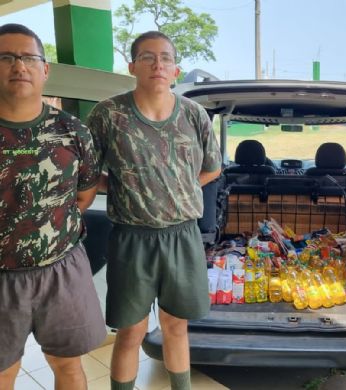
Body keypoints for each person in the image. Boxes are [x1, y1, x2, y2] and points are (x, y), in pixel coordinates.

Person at [86, 31, 222, 390]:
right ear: (132, 66)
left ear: (176, 69)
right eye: (147, 57)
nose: (157, 64)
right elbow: (85, 174)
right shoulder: (108, 115)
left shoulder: (194, 115)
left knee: (176, 326)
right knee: (131, 332)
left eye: (165, 58)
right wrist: (121, 186)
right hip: (132, 238)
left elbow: (212, 167)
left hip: (182, 236)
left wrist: (180, 187)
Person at [0, 23, 106, 390]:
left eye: (29, 57)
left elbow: (84, 193)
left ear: (45, 70)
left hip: (61, 269)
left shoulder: (72, 130)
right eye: (7, 57)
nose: (19, 66)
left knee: (69, 366)